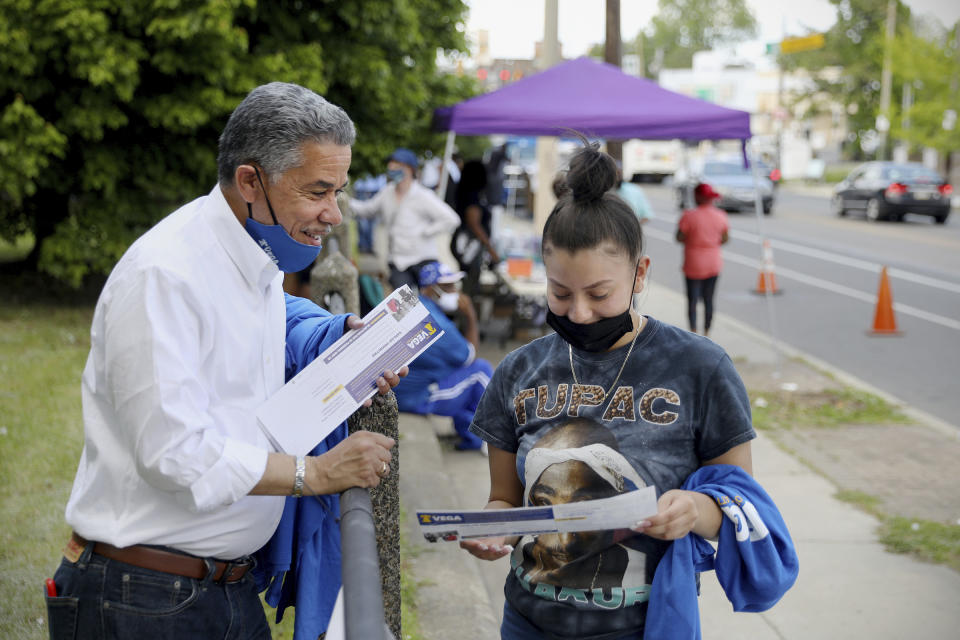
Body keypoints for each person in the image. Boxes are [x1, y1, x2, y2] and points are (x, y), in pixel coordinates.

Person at [49, 82, 404, 640]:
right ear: (249, 181)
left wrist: (339, 338)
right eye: (318, 191)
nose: (333, 214)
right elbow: (175, 454)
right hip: (144, 598)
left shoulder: (249, 256)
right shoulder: (164, 275)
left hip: (218, 589)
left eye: (339, 190)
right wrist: (317, 474)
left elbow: (268, 322)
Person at [459, 139, 792, 639]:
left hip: (645, 626)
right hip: (528, 621)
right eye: (559, 292)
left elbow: (739, 502)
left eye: (599, 294)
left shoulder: (700, 368)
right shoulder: (517, 370)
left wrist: (692, 511)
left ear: (640, 273)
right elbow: (504, 500)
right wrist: (493, 530)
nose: (578, 313)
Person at [392, 260, 492, 452]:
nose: (454, 291)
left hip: (397, 391)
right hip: (413, 397)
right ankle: (492, 438)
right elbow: (469, 354)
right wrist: (470, 315)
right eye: (447, 286)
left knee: (464, 375)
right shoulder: (438, 324)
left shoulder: (411, 304)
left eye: (454, 285)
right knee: (480, 371)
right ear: (429, 289)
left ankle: (473, 437)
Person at [349, 147, 461, 291]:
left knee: (435, 298)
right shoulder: (387, 192)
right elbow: (367, 210)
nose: (391, 167)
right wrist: (343, 201)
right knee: (404, 303)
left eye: (396, 164)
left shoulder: (423, 195)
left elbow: (451, 219)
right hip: (398, 262)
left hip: (423, 259)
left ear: (409, 169)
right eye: (391, 163)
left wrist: (426, 231)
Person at [676, 182, 729, 337]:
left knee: (692, 299)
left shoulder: (689, 215)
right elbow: (725, 238)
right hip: (713, 261)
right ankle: (707, 333)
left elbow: (679, 236)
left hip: (693, 262)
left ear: (696, 197)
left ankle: (693, 332)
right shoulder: (721, 215)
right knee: (709, 299)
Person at [451, 159, 500, 296]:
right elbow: (474, 224)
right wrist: (491, 249)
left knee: (468, 282)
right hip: (469, 246)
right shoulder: (472, 196)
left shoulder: (464, 192)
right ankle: (467, 314)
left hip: (463, 244)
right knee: (470, 285)